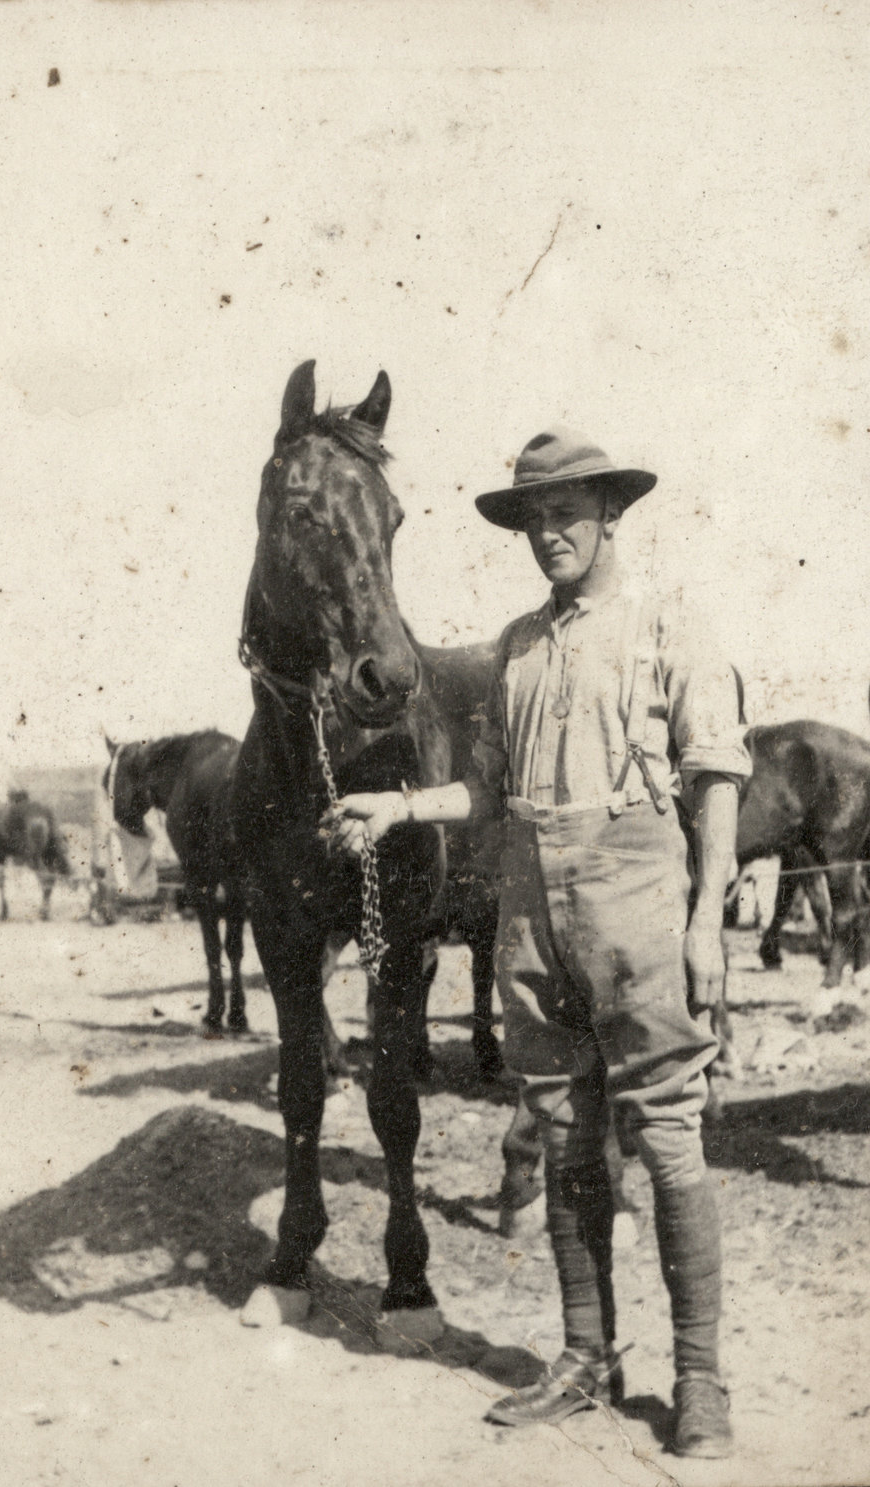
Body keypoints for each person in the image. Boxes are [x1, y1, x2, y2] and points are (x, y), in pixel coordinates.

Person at [326, 426, 750, 1459]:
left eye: (565, 512)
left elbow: (716, 774)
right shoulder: (516, 647)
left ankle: (699, 1379)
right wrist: (399, 804)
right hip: (531, 900)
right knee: (561, 1130)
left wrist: (703, 922)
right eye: (531, 518)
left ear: (610, 514)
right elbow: (489, 789)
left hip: (640, 898)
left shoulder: (667, 623)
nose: (547, 533)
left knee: (664, 1132)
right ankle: (582, 1355)